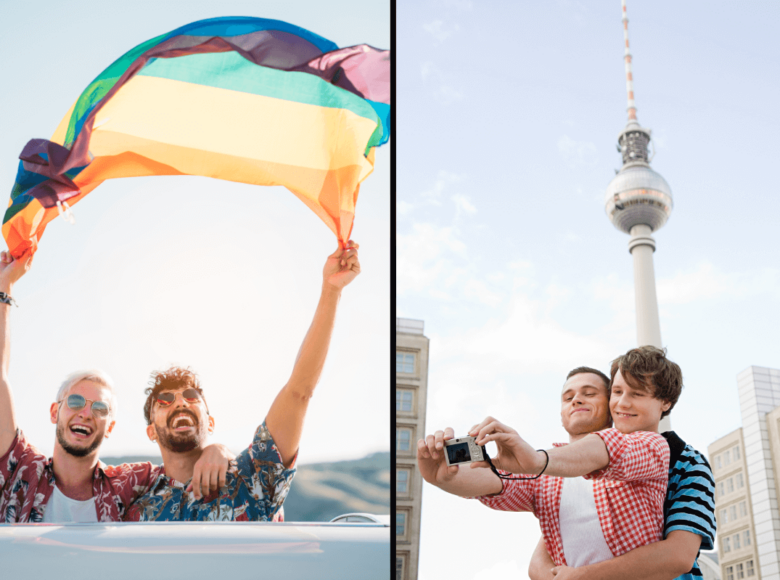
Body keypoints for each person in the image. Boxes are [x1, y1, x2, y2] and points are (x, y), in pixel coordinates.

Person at [419, 348, 712, 574]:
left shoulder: (661, 450)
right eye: (618, 392)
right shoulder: (550, 471)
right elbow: (497, 484)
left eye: (590, 393)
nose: (576, 400)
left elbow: (678, 556)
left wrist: (536, 460)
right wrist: (442, 478)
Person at [125, 242, 361, 521]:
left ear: (210, 423)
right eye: (165, 400)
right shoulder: (134, 511)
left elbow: (299, 391)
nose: (180, 402)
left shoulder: (250, 480)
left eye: (191, 396)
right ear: (151, 431)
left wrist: (331, 291)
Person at [0, 251, 233, 523]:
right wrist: (5, 287)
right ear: (55, 412)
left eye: (100, 408)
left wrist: (218, 450)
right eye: (75, 402)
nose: (86, 413)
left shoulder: (130, 483)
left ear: (110, 427)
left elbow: (180, 458)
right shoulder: (22, 469)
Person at [529, 351, 716, 580]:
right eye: (617, 392)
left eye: (637, 394)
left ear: (665, 401)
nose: (622, 403)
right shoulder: (588, 461)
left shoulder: (687, 462)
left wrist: (582, 576)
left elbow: (679, 555)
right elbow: (543, 554)